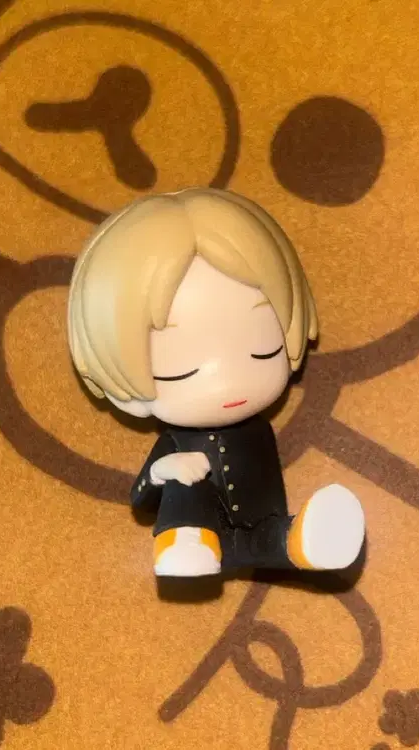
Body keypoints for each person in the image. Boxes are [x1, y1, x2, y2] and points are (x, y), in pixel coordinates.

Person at [67, 187, 365, 577]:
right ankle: (184, 541)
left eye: (262, 350)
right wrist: (163, 469)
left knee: (273, 541)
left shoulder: (258, 432)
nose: (225, 383)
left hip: (259, 529)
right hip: (195, 525)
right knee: (185, 487)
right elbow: (140, 498)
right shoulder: (176, 443)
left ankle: (305, 542)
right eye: (181, 371)